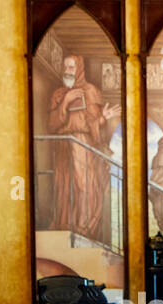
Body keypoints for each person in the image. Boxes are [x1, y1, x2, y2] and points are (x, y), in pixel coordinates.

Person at [47, 55, 120, 241]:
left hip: (84, 145)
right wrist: (65, 101)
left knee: (84, 185)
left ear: (79, 69)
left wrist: (103, 118)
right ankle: (65, 227)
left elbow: (93, 126)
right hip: (63, 146)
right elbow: (52, 125)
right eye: (65, 67)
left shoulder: (91, 91)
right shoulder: (58, 94)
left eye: (71, 67)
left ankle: (83, 229)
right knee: (63, 186)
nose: (67, 71)